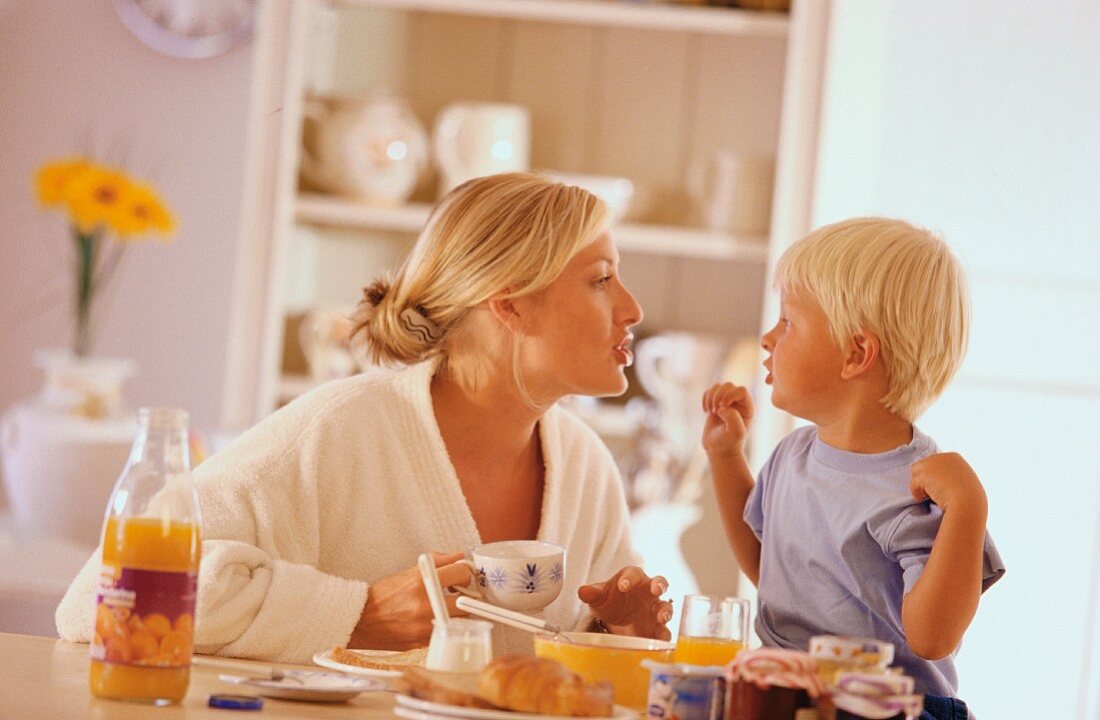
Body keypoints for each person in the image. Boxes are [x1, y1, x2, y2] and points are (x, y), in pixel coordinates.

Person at [57, 172, 674, 662]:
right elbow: (103, 595)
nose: (633, 308)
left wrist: (616, 633)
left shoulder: (585, 466)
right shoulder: (338, 432)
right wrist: (355, 615)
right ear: (511, 305)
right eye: (601, 280)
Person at [701, 218, 1004, 720]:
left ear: (856, 354)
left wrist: (969, 507)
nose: (768, 337)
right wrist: (726, 457)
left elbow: (932, 639)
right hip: (786, 692)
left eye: (789, 321)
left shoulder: (915, 490)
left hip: (890, 708)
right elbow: (766, 566)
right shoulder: (792, 454)